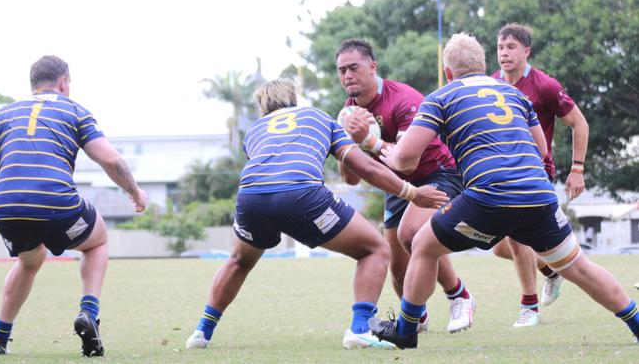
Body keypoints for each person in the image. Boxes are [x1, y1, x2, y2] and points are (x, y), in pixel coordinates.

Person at [369, 33, 638, 349]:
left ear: (449, 72)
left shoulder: (441, 97)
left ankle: (406, 330)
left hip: (487, 197)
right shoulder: (516, 95)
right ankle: (636, 323)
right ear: (484, 66)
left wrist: (377, 145)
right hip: (538, 197)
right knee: (579, 267)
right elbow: (541, 150)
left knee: (423, 244)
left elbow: (404, 158)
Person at [184, 78, 449, 350]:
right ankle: (359, 329)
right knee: (376, 250)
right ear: (294, 99)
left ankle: (201, 332)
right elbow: (366, 169)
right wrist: (412, 193)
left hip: (251, 197)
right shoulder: (317, 117)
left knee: (239, 261)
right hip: (301, 194)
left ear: (263, 107)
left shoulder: (254, 130)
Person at [0, 56, 148, 356]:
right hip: (56, 203)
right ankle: (89, 311)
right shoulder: (74, 111)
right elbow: (111, 160)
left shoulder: (3, 114)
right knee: (96, 241)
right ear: (63, 82)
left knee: (29, 261)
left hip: (7, 206)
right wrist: (136, 193)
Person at [335, 39, 474, 333]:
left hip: (440, 172)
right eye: (341, 70)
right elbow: (350, 179)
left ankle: (459, 295)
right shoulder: (348, 113)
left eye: (353, 68)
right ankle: (417, 318)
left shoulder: (403, 99)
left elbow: (408, 162)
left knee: (411, 234)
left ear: (372, 67)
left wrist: (368, 140)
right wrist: (346, 144)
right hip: (399, 185)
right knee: (398, 269)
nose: (347, 75)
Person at [490, 23, 590, 327]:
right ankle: (550, 270)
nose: (504, 53)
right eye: (500, 47)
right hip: (501, 176)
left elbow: (580, 123)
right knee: (498, 247)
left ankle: (529, 308)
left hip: (534, 175)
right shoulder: (490, 83)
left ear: (526, 51)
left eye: (511, 47)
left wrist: (577, 170)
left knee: (518, 240)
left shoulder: (544, 85)